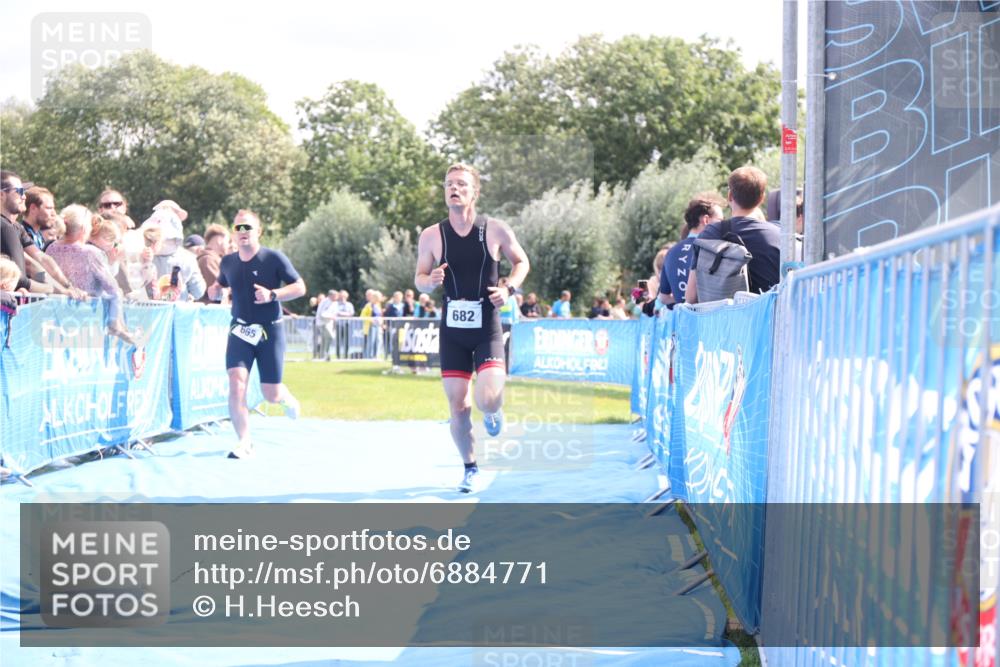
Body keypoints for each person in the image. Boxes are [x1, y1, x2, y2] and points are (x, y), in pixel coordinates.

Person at [415, 162, 530, 493]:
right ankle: (470, 469)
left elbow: (521, 262)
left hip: (486, 328)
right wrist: (429, 280)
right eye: (449, 184)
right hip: (453, 331)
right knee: (458, 405)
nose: (454, 188)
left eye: (461, 184)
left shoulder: (494, 230)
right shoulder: (431, 235)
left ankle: (494, 412)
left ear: (475, 192)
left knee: (488, 399)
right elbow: (419, 278)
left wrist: (508, 288)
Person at [207, 210, 307, 459]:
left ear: (258, 231)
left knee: (270, 394)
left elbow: (300, 287)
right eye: (238, 228)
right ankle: (244, 441)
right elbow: (221, 283)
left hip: (269, 330)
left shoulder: (273, 258)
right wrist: (215, 289)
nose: (242, 232)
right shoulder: (228, 262)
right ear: (233, 233)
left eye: (247, 227)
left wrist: (273, 294)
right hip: (240, 329)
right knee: (236, 382)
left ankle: (283, 395)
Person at [686, 166, 781, 304]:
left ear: (730, 195)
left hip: (724, 316)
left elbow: (691, 296)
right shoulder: (778, 235)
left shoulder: (710, 234)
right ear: (762, 198)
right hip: (768, 316)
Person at [658, 193, 725, 309]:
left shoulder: (671, 252)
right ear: (706, 220)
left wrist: (681, 299)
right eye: (720, 220)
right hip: (708, 316)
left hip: (684, 318)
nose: (722, 225)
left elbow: (663, 298)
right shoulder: (712, 249)